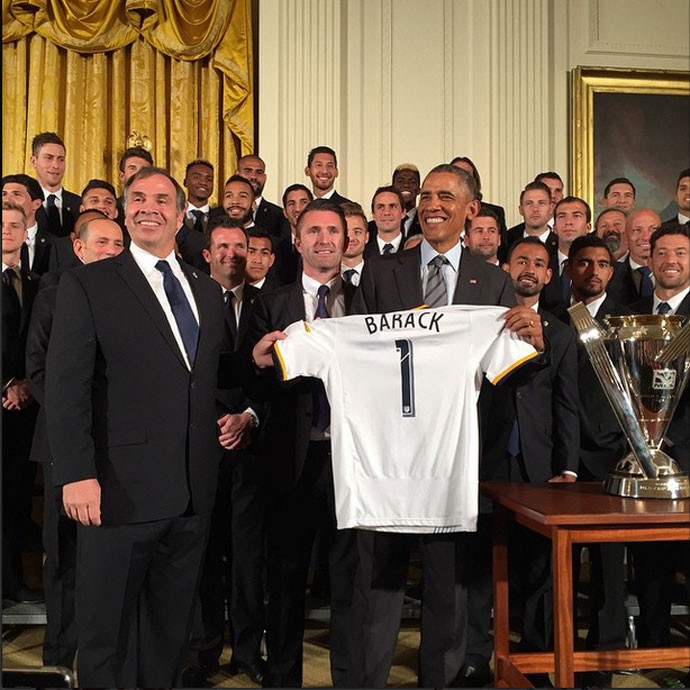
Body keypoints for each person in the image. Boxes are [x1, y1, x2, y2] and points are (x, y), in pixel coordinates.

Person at [339, 164, 546, 688]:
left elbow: (509, 375)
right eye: (426, 195)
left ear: (470, 210)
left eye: (446, 196)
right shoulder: (382, 274)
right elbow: (357, 359)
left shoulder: (495, 281)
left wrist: (534, 346)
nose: (432, 204)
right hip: (389, 459)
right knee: (378, 584)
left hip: (456, 461)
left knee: (449, 587)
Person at [44, 167, 229, 688]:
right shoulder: (88, 282)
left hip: (191, 495)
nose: (150, 206)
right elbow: (66, 388)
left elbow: (206, 376)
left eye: (161, 199)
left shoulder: (205, 290)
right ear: (125, 211)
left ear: (179, 213)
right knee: (108, 636)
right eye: (139, 198)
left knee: (169, 634)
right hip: (116, 492)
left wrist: (256, 360)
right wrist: (76, 473)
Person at [241, 199, 358, 687]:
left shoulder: (370, 301)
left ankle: (351, 677)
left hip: (353, 460)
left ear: (346, 240)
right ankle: (283, 675)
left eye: (333, 230)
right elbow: (251, 385)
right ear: (298, 239)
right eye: (314, 230)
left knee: (352, 580)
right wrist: (257, 362)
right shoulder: (270, 302)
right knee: (286, 577)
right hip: (291, 457)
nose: (324, 239)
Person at [462, 236, 579, 688]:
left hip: (538, 467)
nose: (530, 268)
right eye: (521, 261)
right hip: (484, 461)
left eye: (539, 263)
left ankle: (536, 660)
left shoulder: (562, 333)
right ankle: (474, 657)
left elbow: (566, 405)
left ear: (549, 275)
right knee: (475, 567)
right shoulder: (479, 325)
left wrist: (567, 467)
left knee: (537, 569)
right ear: (505, 268)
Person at [25, 215, 124, 670]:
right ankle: (59, 655)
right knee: (63, 556)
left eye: (117, 244)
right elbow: (42, 375)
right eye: (101, 242)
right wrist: (77, 425)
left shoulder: (135, 298)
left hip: (120, 450)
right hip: (63, 447)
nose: (110, 250)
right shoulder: (54, 294)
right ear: (78, 248)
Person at [184, 217, 266, 687]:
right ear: (208, 253)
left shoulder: (268, 302)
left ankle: (250, 650)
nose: (234, 254)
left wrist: (249, 416)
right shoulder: (188, 300)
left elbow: (277, 373)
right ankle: (205, 650)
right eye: (224, 246)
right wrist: (216, 420)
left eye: (242, 246)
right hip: (201, 442)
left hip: (254, 445)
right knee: (204, 552)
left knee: (249, 557)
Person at [553, 234, 631, 688]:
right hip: (563, 456)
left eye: (603, 264)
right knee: (559, 562)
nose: (594, 272)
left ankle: (604, 657)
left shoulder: (625, 323)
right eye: (584, 263)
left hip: (611, 455)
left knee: (607, 562)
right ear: (569, 270)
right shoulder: (553, 321)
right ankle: (557, 650)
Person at [628, 224, 690, 652]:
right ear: (648, 261)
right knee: (650, 566)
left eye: (681, 252)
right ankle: (651, 652)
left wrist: (670, 439)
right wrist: (645, 443)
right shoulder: (629, 314)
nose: (671, 259)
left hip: (689, 458)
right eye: (662, 252)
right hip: (641, 463)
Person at [2, 201, 42, 604]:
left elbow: (39, 341)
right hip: (3, 398)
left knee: (15, 499)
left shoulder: (35, 282)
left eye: (15, 224)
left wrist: (28, 383)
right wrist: (6, 384)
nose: (7, 231)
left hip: (25, 411)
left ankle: (12, 581)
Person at [450, 156, 508, 260]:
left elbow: (503, 251)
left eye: (467, 173)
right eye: (457, 173)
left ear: (475, 180)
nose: (462, 178)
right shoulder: (440, 212)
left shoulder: (495, 212)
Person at [540, 195, 592, 311]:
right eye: (562, 216)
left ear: (588, 227)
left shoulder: (602, 267)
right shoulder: (542, 265)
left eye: (576, 216)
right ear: (554, 228)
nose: (568, 222)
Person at [29, 132, 81, 238]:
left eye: (61, 159)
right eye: (48, 158)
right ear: (33, 161)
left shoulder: (78, 204)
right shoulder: (25, 202)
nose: (56, 165)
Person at [607, 208, 661, 306]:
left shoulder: (681, 273)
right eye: (637, 230)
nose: (646, 237)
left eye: (653, 229)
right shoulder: (608, 276)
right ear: (625, 238)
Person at [2, 174, 51, 276]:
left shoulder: (57, 246)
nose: (7, 200)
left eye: (17, 194)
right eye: (4, 194)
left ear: (36, 204)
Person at [272, 183, 314, 286]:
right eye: (291, 204)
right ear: (285, 213)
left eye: (303, 202)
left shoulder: (324, 242)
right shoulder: (275, 247)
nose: (298, 209)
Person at [236, 154, 285, 237]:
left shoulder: (279, 216)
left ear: (265, 177)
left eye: (259, 172)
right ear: (237, 174)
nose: (253, 176)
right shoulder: (218, 214)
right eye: (248, 171)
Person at [505, 181, 558, 255]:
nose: (535, 209)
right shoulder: (507, 242)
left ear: (551, 209)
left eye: (541, 203)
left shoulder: (560, 244)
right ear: (521, 210)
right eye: (529, 203)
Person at [364, 186, 406, 256]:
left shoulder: (413, 249)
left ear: (403, 213)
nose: (386, 212)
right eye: (380, 207)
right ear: (373, 214)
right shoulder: (362, 253)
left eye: (392, 206)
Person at [183, 159, 215, 234]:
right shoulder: (174, 214)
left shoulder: (220, 217)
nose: (203, 182)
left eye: (209, 179)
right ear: (185, 182)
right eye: (196, 177)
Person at [341, 202, 368, 286]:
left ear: (366, 237)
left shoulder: (381, 276)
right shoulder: (323, 276)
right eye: (345, 232)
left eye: (357, 232)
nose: (351, 238)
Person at [392, 163, 422, 237]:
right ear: (392, 188)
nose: (406, 185)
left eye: (412, 182)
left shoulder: (426, 221)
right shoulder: (374, 226)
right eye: (400, 181)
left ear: (419, 190)